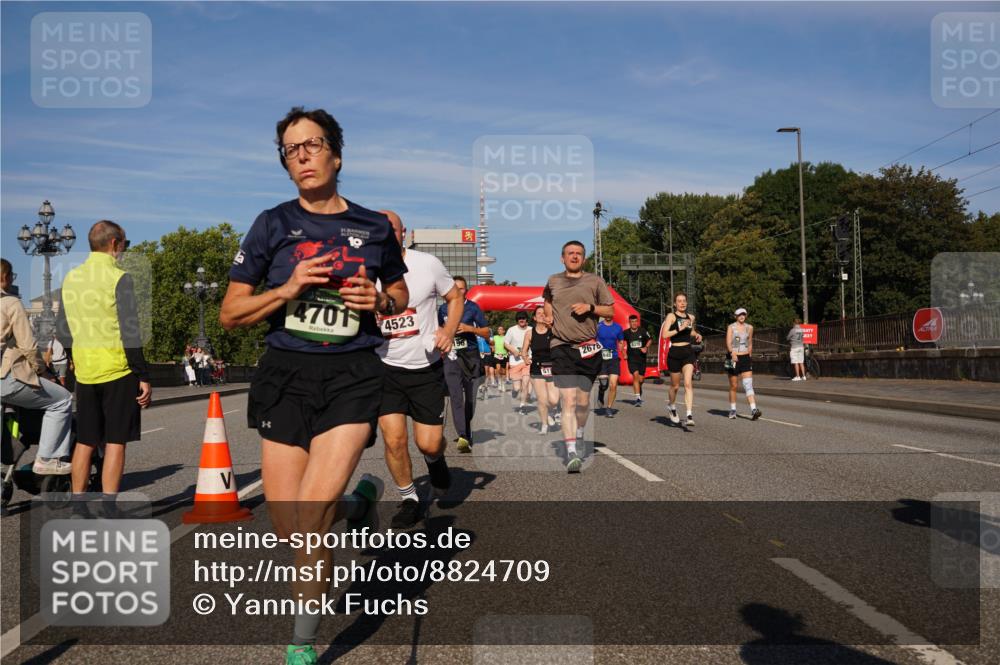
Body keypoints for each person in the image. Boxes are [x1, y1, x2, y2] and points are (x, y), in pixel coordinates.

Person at [218, 106, 408, 665]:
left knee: (311, 508)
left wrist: (379, 301)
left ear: (336, 153)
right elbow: (231, 314)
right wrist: (288, 288)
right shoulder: (271, 224)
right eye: (290, 149)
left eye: (311, 144)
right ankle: (358, 504)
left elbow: (397, 295)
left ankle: (301, 641)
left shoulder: (374, 227)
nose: (301, 155)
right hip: (286, 376)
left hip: (352, 374)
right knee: (290, 525)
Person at [55, 221, 153, 504]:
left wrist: (77, 357)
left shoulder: (71, 279)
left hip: (86, 373)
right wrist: (143, 375)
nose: (124, 249)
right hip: (117, 370)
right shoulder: (119, 278)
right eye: (125, 243)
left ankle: (78, 505)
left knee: (85, 441)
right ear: (114, 244)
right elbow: (130, 330)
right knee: (115, 441)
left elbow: (63, 330)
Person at [375, 210, 462, 528]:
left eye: (391, 229)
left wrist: (448, 331)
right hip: (384, 367)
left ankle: (435, 459)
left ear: (403, 233)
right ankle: (409, 498)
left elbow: (455, 298)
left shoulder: (427, 264)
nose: (385, 234)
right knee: (394, 439)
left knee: (427, 442)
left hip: (425, 366)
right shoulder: (364, 271)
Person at [543, 240, 615, 474]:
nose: (574, 256)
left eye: (579, 254)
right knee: (569, 401)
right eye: (570, 253)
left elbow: (610, 310)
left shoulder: (595, 281)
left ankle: (580, 433)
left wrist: (590, 308)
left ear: (584, 258)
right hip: (561, 346)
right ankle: (572, 452)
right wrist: (548, 316)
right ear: (562, 258)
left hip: (587, 348)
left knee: (583, 403)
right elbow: (547, 300)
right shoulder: (553, 280)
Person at [1, 259, 73, 475]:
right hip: (6, 379)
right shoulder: (10, 303)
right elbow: (29, 346)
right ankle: (47, 458)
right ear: (5, 277)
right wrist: (41, 370)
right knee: (62, 400)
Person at [438, 276, 489, 454]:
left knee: (470, 399)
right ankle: (463, 436)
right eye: (455, 288)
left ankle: (466, 429)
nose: (458, 292)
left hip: (471, 356)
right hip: (451, 357)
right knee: (455, 396)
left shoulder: (473, 308)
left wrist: (469, 329)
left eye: (462, 289)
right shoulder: (443, 308)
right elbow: (438, 330)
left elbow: (487, 332)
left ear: (466, 291)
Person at [661, 292, 703, 426]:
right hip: (674, 352)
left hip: (688, 352)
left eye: (684, 301)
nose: (682, 303)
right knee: (675, 386)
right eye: (679, 301)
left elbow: (689, 331)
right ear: (675, 304)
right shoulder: (671, 316)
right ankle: (672, 407)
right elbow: (664, 335)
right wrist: (679, 328)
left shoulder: (691, 317)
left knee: (688, 384)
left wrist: (697, 334)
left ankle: (689, 415)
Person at [521, 305, 560, 433]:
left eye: (544, 313)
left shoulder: (553, 331)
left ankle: (550, 412)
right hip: (537, 369)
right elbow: (524, 351)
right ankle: (544, 425)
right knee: (542, 399)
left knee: (554, 400)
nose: (542, 315)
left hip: (552, 367)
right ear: (534, 318)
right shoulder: (529, 333)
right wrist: (525, 358)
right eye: (539, 313)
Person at [726, 307, 762, 420]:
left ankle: (754, 409)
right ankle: (732, 410)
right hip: (732, 358)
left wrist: (749, 354)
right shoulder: (731, 327)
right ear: (735, 316)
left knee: (748, 384)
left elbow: (750, 341)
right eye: (739, 314)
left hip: (745, 357)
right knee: (734, 386)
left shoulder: (749, 327)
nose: (742, 316)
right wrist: (732, 353)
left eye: (744, 314)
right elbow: (728, 342)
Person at [595, 313, 625, 417]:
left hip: (614, 358)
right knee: (604, 384)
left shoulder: (618, 327)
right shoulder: (598, 326)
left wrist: (622, 348)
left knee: (613, 384)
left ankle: (609, 408)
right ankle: (601, 392)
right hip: (601, 358)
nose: (608, 315)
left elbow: (621, 340)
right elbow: (591, 339)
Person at [622, 315, 652, 406]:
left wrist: (646, 347)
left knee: (641, 379)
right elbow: (621, 343)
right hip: (631, 359)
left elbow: (650, 339)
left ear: (637, 322)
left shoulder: (642, 331)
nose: (634, 323)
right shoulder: (626, 333)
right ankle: (638, 398)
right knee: (635, 375)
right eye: (632, 322)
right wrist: (624, 353)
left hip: (642, 358)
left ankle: (639, 387)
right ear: (629, 323)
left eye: (635, 321)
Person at [505, 312, 532, 412]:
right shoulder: (511, 330)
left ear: (526, 319)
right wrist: (513, 350)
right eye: (520, 318)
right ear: (517, 320)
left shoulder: (531, 330)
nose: (522, 320)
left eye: (524, 318)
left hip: (527, 360)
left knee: (525, 384)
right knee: (517, 388)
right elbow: (506, 343)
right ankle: (515, 391)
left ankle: (522, 405)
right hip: (515, 361)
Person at [477, 333, 493, 399]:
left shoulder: (488, 335)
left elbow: (492, 343)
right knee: (480, 372)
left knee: (486, 371)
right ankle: (481, 385)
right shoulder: (476, 337)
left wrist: (488, 338)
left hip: (487, 354)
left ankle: (485, 386)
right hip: (479, 355)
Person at [492, 325, 508, 391]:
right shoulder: (495, 337)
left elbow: (509, 345)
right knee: (498, 369)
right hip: (497, 355)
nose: (499, 330)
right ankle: (499, 383)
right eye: (498, 329)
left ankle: (503, 384)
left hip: (504, 355)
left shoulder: (506, 337)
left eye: (501, 329)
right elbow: (492, 343)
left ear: (504, 331)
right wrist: (492, 347)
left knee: (503, 371)